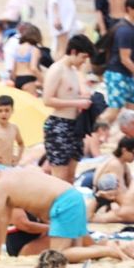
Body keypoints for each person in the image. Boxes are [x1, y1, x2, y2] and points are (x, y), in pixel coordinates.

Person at [0, 164, 88, 257]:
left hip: (64, 204)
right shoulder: (14, 172)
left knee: (59, 255)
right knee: (78, 248)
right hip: (71, 197)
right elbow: (2, 221)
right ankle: (103, 248)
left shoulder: (0, 187)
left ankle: (106, 250)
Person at [41, 35, 95, 183]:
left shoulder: (73, 71)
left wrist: (82, 100)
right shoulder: (57, 69)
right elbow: (47, 99)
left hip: (74, 126)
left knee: (70, 176)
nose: (84, 61)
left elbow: (69, 95)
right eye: (83, 57)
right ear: (73, 52)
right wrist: (77, 103)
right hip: (59, 124)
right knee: (60, 177)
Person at [103, 0, 134, 111]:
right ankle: (97, 129)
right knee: (114, 111)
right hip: (116, 74)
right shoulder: (125, 30)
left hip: (127, 75)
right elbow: (125, 59)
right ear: (129, 9)